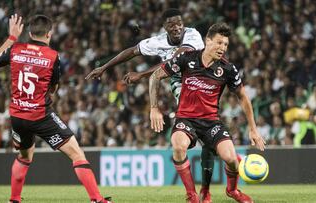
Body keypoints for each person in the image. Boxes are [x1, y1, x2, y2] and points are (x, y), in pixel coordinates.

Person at [86, 8, 217, 203]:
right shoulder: (158, 41)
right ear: (165, 27)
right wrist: (104, 67)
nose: (177, 27)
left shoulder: (192, 35)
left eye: (179, 23)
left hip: (202, 81)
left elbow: (175, 60)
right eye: (172, 24)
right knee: (197, 134)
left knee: (208, 142)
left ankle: (205, 189)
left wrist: (141, 74)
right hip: (181, 85)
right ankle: (193, 189)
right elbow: (132, 51)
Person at [0, 14, 112, 203]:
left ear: (29, 32)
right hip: (40, 115)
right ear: (49, 34)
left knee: (24, 156)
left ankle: (14, 200)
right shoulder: (52, 56)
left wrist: (12, 37)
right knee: (77, 154)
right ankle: (97, 199)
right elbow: (53, 88)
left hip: (17, 116)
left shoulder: (15, 49)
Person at [149, 22, 266, 203]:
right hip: (186, 119)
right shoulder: (187, 59)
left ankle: (232, 190)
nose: (223, 48)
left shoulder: (227, 69)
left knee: (231, 159)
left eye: (226, 45)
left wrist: (253, 129)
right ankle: (192, 196)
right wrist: (154, 108)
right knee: (178, 146)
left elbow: (243, 97)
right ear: (207, 41)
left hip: (211, 122)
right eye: (219, 43)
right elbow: (155, 75)